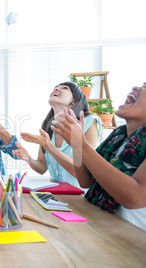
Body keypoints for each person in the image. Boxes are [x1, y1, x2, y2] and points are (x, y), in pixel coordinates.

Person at [52, 83, 146, 231]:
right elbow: (85, 180)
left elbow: (134, 197)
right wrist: (77, 146)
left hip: (131, 237)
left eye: (145, 86)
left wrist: (81, 144)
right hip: (99, 225)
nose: (135, 87)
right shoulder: (118, 134)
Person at [12, 82, 101, 189]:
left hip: (81, 197)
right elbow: (42, 167)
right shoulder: (46, 125)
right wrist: (28, 158)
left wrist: (49, 146)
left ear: (74, 100)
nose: (57, 89)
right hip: (57, 195)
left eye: (64, 88)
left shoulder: (89, 122)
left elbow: (83, 173)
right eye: (55, 88)